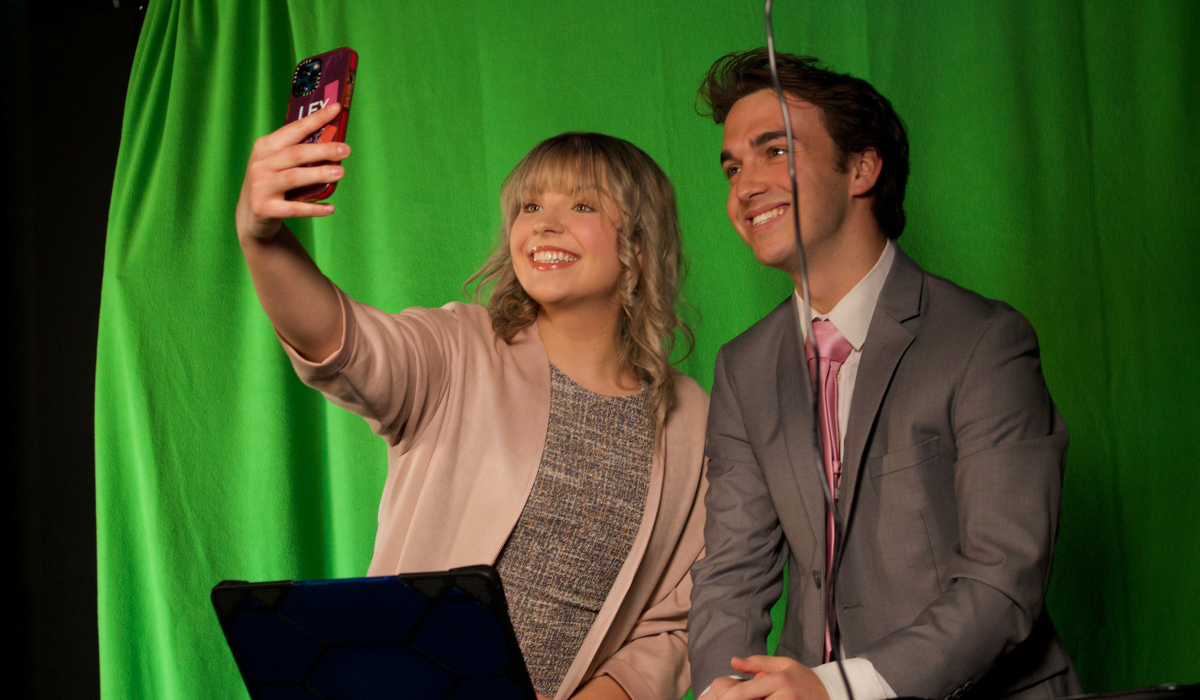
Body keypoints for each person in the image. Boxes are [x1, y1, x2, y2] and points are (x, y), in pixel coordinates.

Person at [235, 104, 708, 700]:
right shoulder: (457, 349)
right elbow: (337, 339)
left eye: (582, 205)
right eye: (530, 206)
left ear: (639, 246)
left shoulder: (694, 422)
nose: (544, 223)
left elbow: (675, 625)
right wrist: (262, 235)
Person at [687, 50, 1082, 700]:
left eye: (775, 152)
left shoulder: (984, 342)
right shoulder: (742, 367)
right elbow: (731, 573)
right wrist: (723, 692)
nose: (744, 186)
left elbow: (1001, 582)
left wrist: (836, 691)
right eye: (732, 167)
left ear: (862, 168)